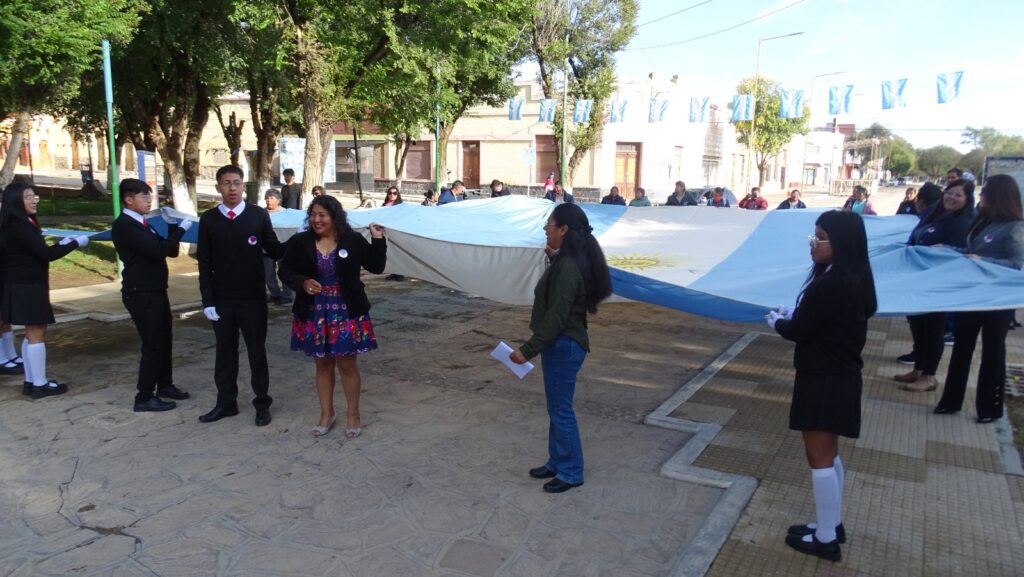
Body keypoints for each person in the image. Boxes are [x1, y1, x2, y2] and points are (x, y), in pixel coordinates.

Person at [767, 210, 877, 562]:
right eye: (813, 236)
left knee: (819, 457)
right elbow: (821, 322)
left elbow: (801, 331)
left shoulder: (834, 283)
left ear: (842, 242)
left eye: (821, 237)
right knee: (830, 454)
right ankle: (832, 524)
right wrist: (796, 313)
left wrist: (779, 323)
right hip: (837, 376)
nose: (813, 243)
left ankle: (826, 539)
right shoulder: (850, 276)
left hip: (825, 379)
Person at [510, 203, 612, 493]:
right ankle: (557, 461)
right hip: (561, 344)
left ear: (564, 229)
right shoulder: (566, 261)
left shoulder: (567, 266)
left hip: (563, 345)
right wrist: (554, 260)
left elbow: (556, 317)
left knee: (561, 410)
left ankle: (571, 471)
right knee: (556, 408)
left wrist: (527, 350)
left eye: (550, 225)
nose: (546, 229)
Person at [279, 195, 386, 438]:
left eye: (322, 215)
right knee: (322, 364)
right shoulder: (301, 241)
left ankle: (353, 415)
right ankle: (327, 414)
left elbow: (377, 266)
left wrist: (378, 239)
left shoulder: (352, 240)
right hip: (314, 310)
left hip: (346, 310)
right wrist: (302, 282)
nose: (316, 220)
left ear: (334, 216)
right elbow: (284, 270)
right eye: (313, 215)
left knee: (347, 364)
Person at [197, 165, 284, 426]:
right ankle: (226, 403)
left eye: (236, 182)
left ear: (244, 186)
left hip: (253, 299)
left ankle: (262, 403)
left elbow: (274, 249)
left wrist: (302, 241)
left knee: (257, 352)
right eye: (226, 183)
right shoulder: (209, 219)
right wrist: (207, 300)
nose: (232, 188)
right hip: (222, 300)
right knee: (225, 353)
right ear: (218, 187)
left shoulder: (257, 215)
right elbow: (204, 263)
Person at [935, 174, 1024, 423]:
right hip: (971, 297)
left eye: (985, 193)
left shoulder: (1015, 227)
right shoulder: (982, 221)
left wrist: (984, 261)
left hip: (996, 301)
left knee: (993, 352)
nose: (981, 197)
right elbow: (971, 252)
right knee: (962, 348)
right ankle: (951, 401)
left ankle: (989, 408)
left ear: (998, 197)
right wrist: (947, 250)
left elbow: (1018, 265)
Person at [111, 178, 193, 412]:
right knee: (153, 344)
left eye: (150, 196)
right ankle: (144, 396)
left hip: (156, 290)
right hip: (141, 293)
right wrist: (181, 230)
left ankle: (165, 385)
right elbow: (158, 250)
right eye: (144, 196)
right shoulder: (125, 225)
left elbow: (171, 251)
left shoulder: (144, 223)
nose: (149, 200)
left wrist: (172, 227)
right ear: (129, 199)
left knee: (164, 339)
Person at [0, 182, 88, 398]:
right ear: (16, 201)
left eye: (34, 196)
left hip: (25, 284)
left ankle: (31, 381)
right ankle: (39, 383)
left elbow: (38, 251)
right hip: (28, 286)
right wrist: (75, 243)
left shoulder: (18, 223)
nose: (34, 201)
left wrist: (63, 243)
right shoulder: (20, 225)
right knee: (36, 334)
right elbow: (46, 255)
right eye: (28, 197)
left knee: (32, 334)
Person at [893, 181, 974, 392]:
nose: (951, 198)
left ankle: (929, 376)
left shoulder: (964, 223)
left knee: (933, 328)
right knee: (918, 324)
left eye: (958, 195)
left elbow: (961, 253)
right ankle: (918, 368)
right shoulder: (935, 214)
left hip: (938, 284)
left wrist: (943, 249)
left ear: (967, 199)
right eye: (949, 192)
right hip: (917, 279)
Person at [262, 189, 293, 306]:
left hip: (283, 248)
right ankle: (275, 294)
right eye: (267, 198)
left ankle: (287, 295)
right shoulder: (261, 213)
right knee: (268, 273)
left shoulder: (286, 214)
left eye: (271, 198)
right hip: (265, 249)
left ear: (278, 200)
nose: (269, 200)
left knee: (284, 272)